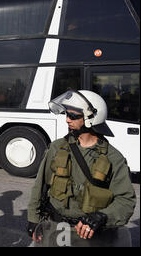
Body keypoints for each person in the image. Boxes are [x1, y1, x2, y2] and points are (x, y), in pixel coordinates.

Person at [27, 90, 136, 246]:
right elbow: (40, 186)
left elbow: (126, 201)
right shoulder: (57, 148)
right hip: (54, 228)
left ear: (91, 118)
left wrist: (102, 216)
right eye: (66, 114)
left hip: (90, 236)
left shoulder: (114, 159)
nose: (67, 120)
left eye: (73, 116)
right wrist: (33, 218)